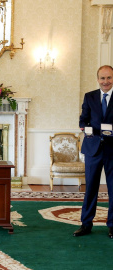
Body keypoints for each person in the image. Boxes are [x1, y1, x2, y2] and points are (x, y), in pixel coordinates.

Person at [74, 65, 113, 238]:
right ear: (98, 79)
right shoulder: (89, 96)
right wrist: (86, 128)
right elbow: (83, 119)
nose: (106, 81)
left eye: (109, 78)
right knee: (91, 188)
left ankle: (112, 226)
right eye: (103, 78)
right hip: (93, 148)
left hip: (112, 149)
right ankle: (86, 224)